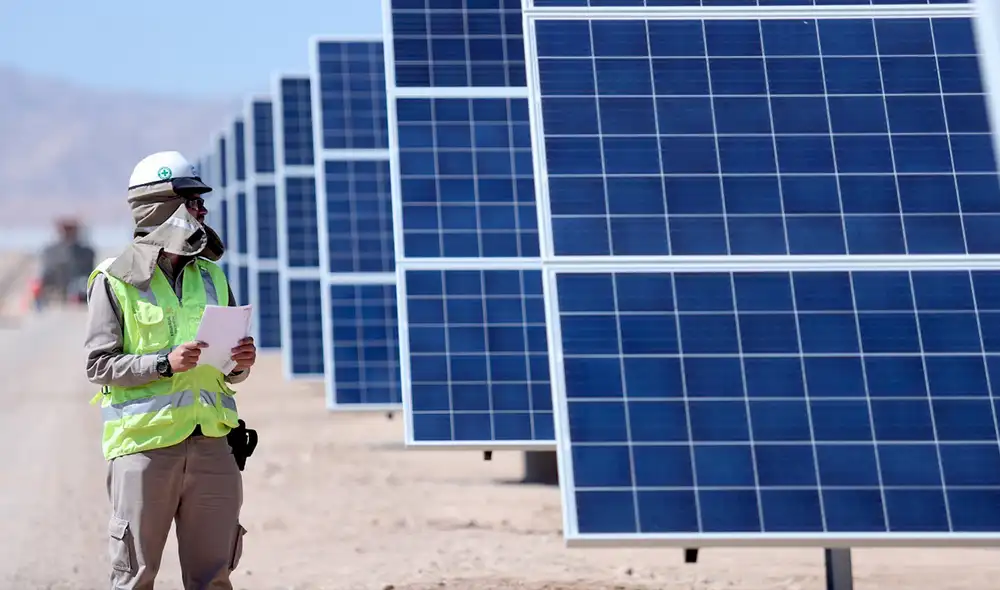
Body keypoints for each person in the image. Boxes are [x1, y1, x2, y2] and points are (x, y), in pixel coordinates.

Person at [83, 150, 257, 590]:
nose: (201, 209)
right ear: (161, 207)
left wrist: (240, 364)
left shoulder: (214, 277)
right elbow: (98, 364)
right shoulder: (114, 279)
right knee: (136, 577)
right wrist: (164, 363)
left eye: (200, 201)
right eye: (191, 200)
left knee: (214, 578)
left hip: (214, 446)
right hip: (145, 448)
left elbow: (226, 372)